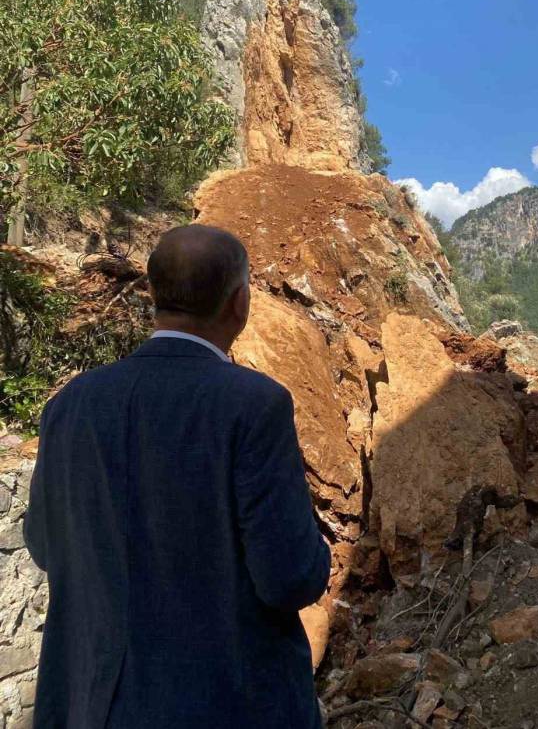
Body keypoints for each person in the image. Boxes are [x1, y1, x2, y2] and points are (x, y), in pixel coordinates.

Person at [24, 224, 330, 729]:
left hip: (92, 703)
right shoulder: (255, 406)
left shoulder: (71, 405)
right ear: (239, 303)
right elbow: (289, 577)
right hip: (226, 703)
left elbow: (44, 544)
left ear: (153, 295)